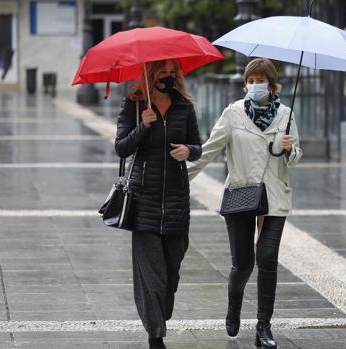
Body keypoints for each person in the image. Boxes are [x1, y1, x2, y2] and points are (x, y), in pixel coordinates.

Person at [188, 58, 303, 349]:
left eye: (260, 81)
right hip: (241, 193)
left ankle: (264, 327)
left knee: (266, 257)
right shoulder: (233, 113)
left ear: (272, 84)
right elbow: (209, 150)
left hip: (275, 195)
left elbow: (297, 155)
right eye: (250, 81)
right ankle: (233, 306)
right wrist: (180, 178)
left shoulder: (286, 114)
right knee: (243, 263)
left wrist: (289, 150)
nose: (255, 86)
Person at [114, 59, 201, 349]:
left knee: (170, 273)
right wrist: (142, 126)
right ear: (150, 74)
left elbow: (197, 147)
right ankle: (155, 336)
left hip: (176, 199)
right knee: (151, 274)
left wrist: (188, 150)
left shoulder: (184, 107)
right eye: (162, 71)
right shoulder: (134, 104)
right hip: (143, 199)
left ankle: (158, 317)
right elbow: (121, 148)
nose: (168, 76)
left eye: (172, 71)